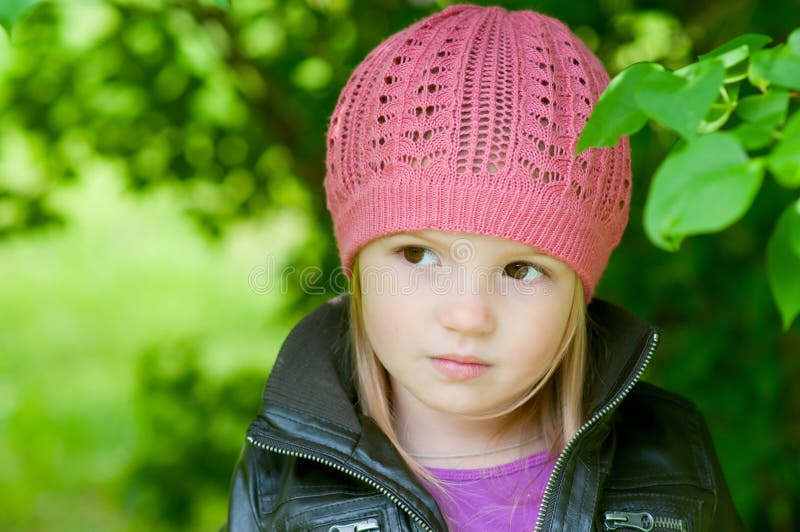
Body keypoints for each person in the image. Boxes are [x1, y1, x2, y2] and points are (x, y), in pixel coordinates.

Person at [226, 4, 744, 531]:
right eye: (417, 254)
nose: (468, 316)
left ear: (578, 288)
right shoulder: (285, 478)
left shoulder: (673, 460)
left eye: (521, 269)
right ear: (358, 264)